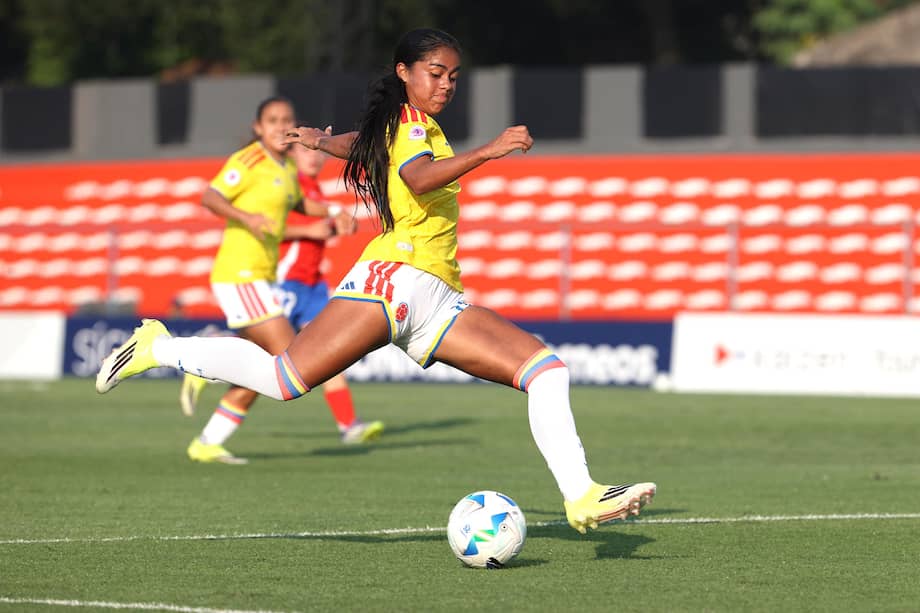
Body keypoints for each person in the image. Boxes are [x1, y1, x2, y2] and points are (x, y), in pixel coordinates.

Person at [96, 28, 655, 533]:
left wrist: (321, 142)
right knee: (283, 379)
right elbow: (417, 176)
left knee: (546, 371)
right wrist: (491, 149)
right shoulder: (411, 124)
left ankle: (582, 496)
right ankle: (157, 347)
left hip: (437, 298)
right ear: (404, 73)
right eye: (435, 73)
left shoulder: (403, 124)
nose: (446, 84)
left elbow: (365, 146)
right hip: (394, 281)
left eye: (453, 76)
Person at [179, 96, 383, 465]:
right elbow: (210, 197)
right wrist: (248, 218)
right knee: (290, 359)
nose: (279, 126)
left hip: (261, 277)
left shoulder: (287, 167)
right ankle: (202, 360)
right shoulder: (249, 160)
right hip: (240, 274)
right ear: (258, 128)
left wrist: (334, 210)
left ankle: (208, 441)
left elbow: (300, 205)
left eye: (286, 119)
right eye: (272, 120)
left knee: (263, 370)